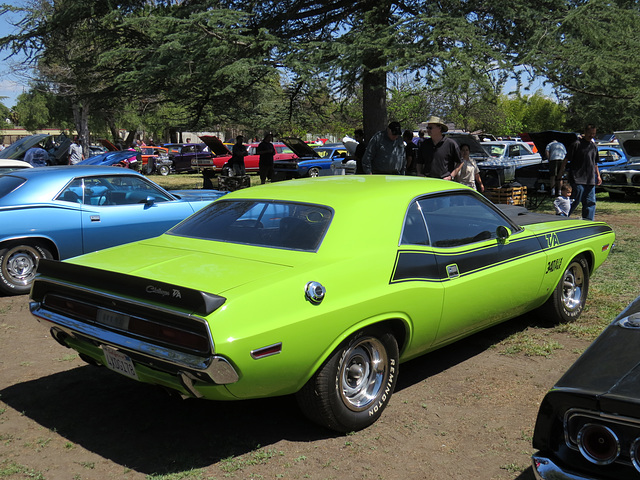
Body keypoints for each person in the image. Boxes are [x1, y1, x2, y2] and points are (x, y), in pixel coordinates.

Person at [558, 124, 601, 220]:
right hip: (577, 178)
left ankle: (588, 221)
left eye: (593, 134)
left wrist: (598, 176)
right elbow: (566, 159)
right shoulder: (576, 144)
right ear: (585, 132)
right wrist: (561, 173)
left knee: (590, 202)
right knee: (575, 200)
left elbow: (595, 162)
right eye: (590, 133)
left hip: (590, 179)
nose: (591, 136)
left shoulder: (593, 146)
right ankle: (562, 217)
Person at [417, 116, 460, 180]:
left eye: (430, 128)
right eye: (427, 128)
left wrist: (451, 176)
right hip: (427, 181)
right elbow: (419, 162)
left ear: (439, 128)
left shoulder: (451, 144)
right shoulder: (424, 144)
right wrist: (419, 173)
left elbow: (460, 162)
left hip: (444, 182)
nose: (427, 130)